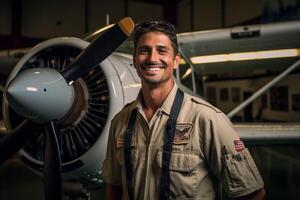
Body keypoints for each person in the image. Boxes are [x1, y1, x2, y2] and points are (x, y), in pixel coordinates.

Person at [101, 20, 265, 200]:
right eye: (144, 50)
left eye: (161, 50)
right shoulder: (120, 121)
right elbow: (115, 188)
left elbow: (252, 194)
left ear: (175, 61)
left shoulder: (208, 119)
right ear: (134, 60)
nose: (152, 58)